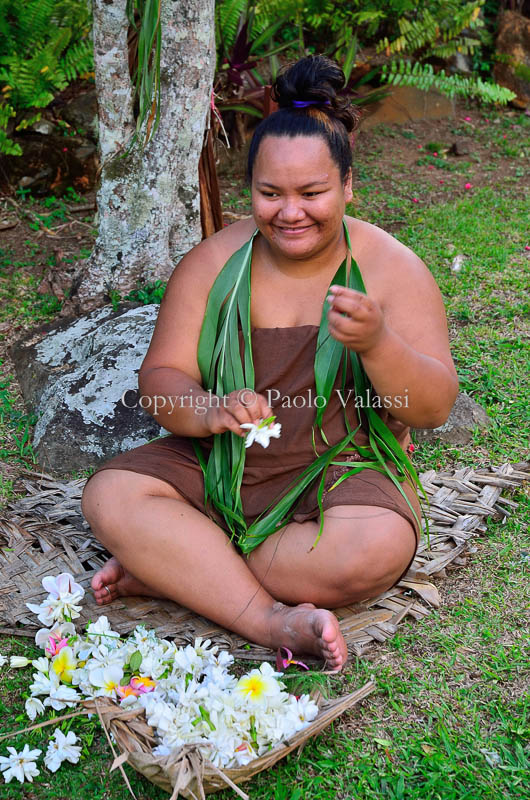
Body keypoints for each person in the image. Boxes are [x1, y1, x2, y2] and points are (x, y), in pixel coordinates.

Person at [81, 55, 458, 673]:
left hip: (342, 471)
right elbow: (160, 381)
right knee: (112, 495)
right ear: (248, 189)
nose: (290, 212)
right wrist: (207, 408)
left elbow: (434, 406)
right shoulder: (212, 264)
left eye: (312, 193)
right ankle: (265, 617)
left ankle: (183, 567)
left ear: (347, 186)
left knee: (375, 549)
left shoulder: (393, 268)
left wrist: (378, 342)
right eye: (269, 193)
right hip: (223, 467)